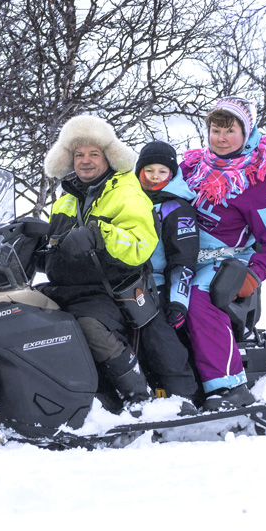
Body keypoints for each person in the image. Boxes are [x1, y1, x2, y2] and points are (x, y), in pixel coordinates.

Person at [181, 95, 266, 411]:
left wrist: (254, 273)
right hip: (180, 255)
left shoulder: (258, 183)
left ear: (246, 133)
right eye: (215, 130)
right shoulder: (190, 169)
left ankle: (230, 387)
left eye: (229, 131)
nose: (221, 139)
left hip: (224, 263)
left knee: (196, 298)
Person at [40, 114, 156, 404]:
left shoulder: (126, 193)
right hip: (64, 289)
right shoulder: (66, 198)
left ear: (109, 156)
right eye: (79, 154)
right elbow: (54, 249)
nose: (85, 161)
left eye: (94, 153)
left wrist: (99, 236)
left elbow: (141, 245)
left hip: (109, 291)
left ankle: (138, 394)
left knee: (88, 327)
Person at [132, 140, 201, 403]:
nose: (154, 177)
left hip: (159, 287)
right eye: (149, 170)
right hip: (127, 284)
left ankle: (184, 395)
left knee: (161, 340)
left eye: (162, 172)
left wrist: (178, 302)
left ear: (171, 175)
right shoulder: (131, 200)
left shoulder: (177, 207)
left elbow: (183, 261)